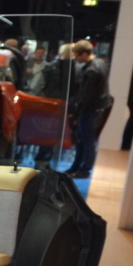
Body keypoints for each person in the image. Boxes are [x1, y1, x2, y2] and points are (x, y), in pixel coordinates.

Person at [34, 40, 111, 177]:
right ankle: (77, 167)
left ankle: (84, 169)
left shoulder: (91, 70)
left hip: (89, 109)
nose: (75, 59)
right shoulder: (99, 63)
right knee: (83, 139)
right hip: (94, 108)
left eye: (77, 55)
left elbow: (86, 96)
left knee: (86, 140)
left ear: (85, 54)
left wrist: (76, 112)